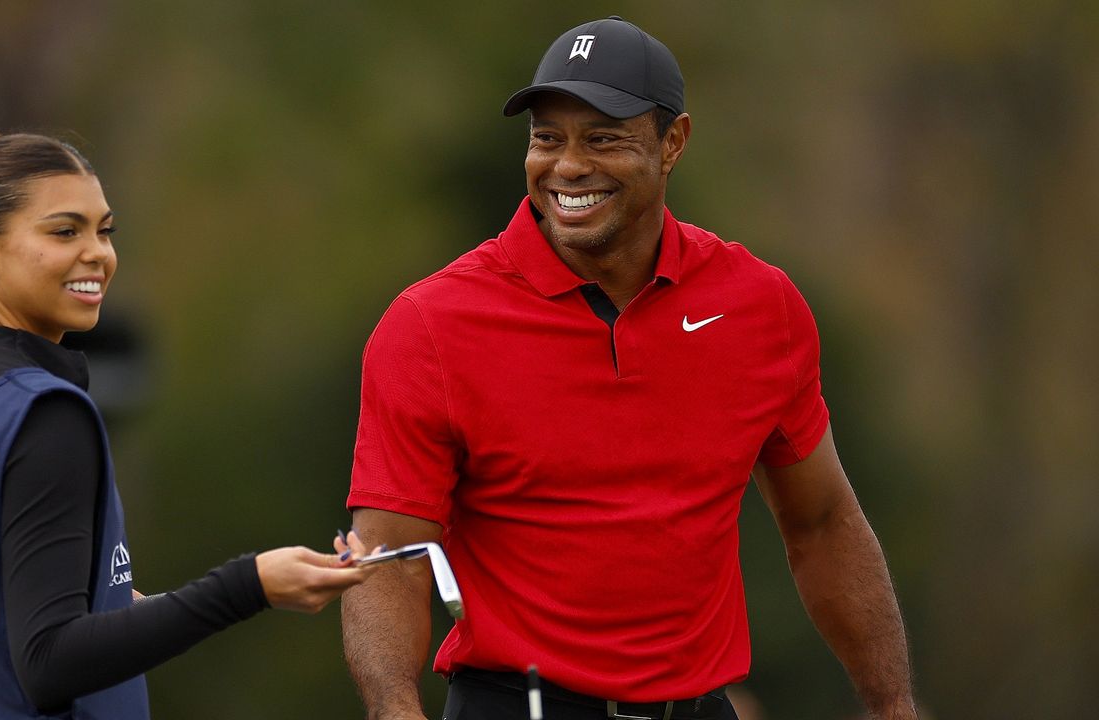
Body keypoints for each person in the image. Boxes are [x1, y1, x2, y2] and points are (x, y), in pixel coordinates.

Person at [341, 16, 918, 720]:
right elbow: (387, 556)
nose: (568, 166)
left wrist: (891, 706)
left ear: (672, 143)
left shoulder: (760, 307)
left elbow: (823, 522)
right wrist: (395, 709)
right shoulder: (431, 324)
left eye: (603, 138)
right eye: (547, 138)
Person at [0, 132, 377, 719]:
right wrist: (250, 585)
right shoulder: (41, 412)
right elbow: (52, 662)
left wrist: (105, 609)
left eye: (103, 230)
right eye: (64, 231)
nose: (98, 254)